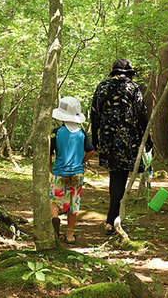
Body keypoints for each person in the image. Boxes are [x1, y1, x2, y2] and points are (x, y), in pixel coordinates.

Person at [90, 58, 151, 235]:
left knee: (115, 176)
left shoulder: (102, 87)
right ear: (127, 74)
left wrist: (95, 139)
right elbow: (142, 115)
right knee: (119, 177)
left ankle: (112, 217)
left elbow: (95, 114)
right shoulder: (133, 88)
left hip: (108, 140)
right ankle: (112, 219)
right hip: (127, 141)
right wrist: (146, 139)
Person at [50, 96, 94, 245]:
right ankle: (69, 234)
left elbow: (49, 152)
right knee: (74, 204)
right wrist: (82, 162)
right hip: (77, 173)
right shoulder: (82, 134)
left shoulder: (56, 132)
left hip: (59, 172)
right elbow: (91, 150)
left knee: (54, 200)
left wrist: (51, 167)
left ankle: (55, 219)